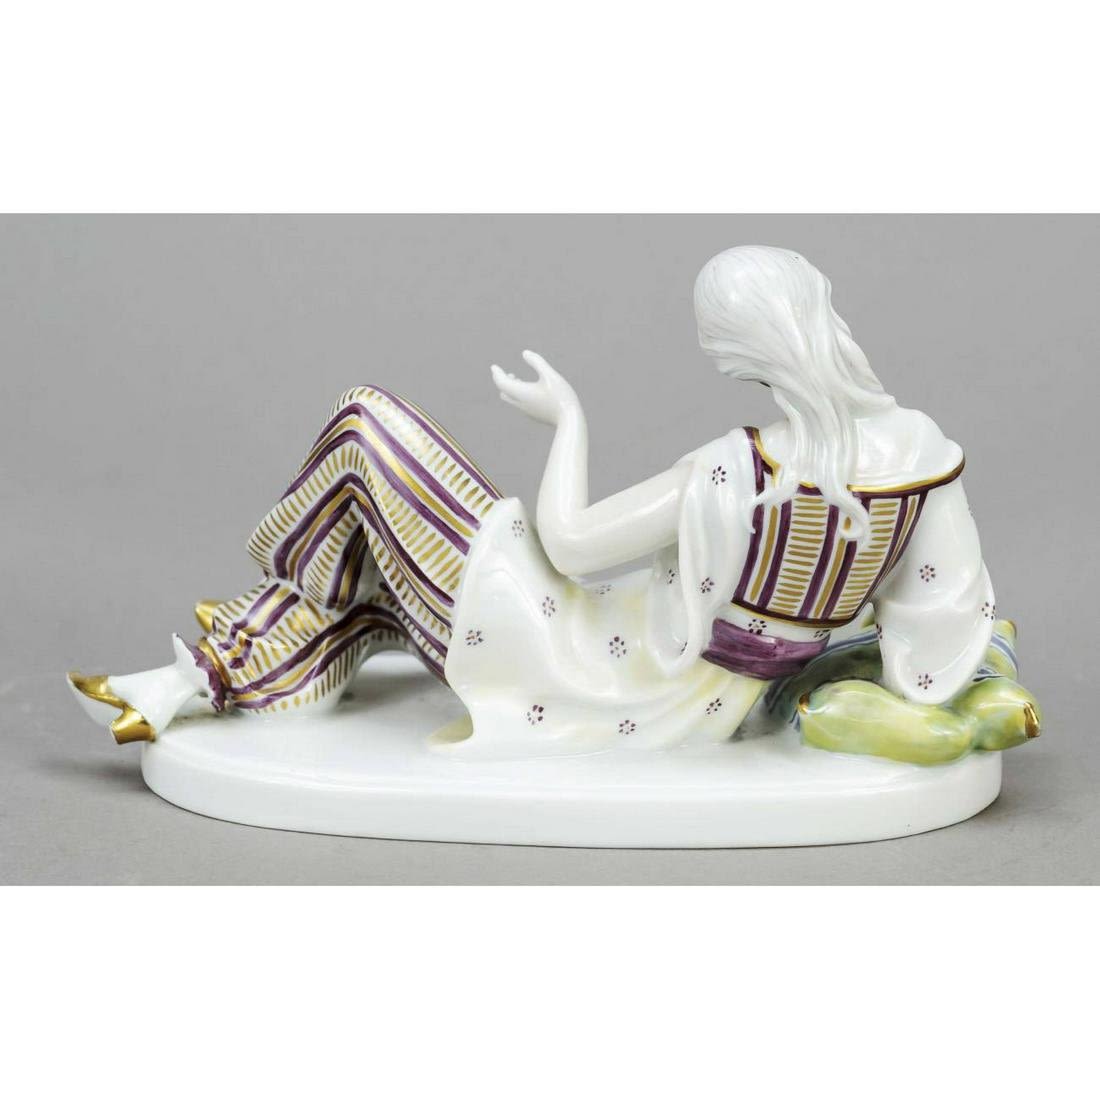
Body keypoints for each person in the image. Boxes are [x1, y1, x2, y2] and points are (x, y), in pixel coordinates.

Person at [70, 245, 998, 758]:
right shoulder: (924, 454)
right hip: (692, 693)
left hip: (575, 657)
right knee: (377, 577)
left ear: (742, 353)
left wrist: (568, 422)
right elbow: (944, 609)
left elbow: (572, 545)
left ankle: (262, 619)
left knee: (363, 425)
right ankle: (238, 658)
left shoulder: (732, 472)